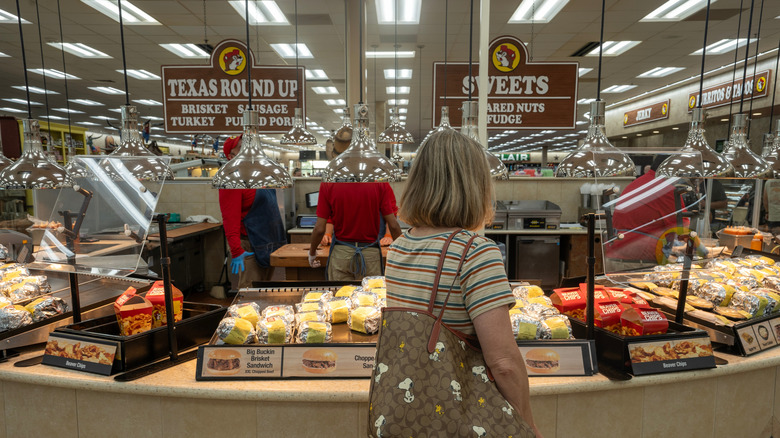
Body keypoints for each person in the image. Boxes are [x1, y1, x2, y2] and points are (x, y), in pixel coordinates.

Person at [383, 129, 540, 436]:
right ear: (475, 185)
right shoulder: (476, 251)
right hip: (462, 413)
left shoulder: (401, 246)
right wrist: (526, 423)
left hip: (412, 407)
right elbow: (504, 362)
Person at [218, 135, 287, 288]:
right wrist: (236, 251)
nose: (248, 150)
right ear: (231, 156)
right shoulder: (232, 181)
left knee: (265, 291)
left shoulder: (258, 176)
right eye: (242, 147)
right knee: (250, 294)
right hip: (250, 247)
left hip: (268, 243)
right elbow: (230, 219)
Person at [308, 182, 401, 280]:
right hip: (370, 256)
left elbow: (319, 229)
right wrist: (402, 254)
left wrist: (312, 253)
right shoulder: (380, 184)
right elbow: (394, 225)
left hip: (341, 256)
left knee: (340, 293)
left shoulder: (328, 183)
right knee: (372, 294)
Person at [606, 155, 688, 264]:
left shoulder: (639, 182)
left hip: (618, 255)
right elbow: (683, 230)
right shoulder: (665, 188)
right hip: (639, 260)